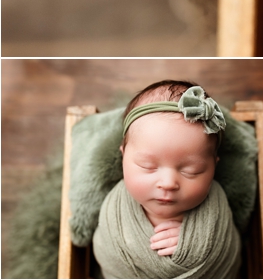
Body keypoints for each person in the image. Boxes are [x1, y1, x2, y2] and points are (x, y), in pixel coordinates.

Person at [92, 80, 241, 279]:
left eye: (192, 170)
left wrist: (195, 243)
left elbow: (229, 249)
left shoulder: (217, 207)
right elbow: (106, 251)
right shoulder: (115, 211)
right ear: (123, 157)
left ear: (214, 166)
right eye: (148, 166)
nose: (168, 183)